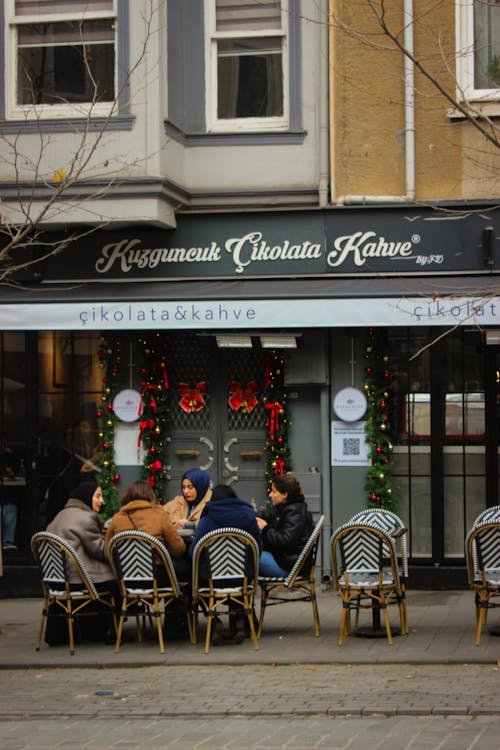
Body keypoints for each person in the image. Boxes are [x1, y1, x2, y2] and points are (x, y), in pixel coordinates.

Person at [189, 484, 262, 644]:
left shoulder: (207, 519)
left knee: (193, 580)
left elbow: (194, 552)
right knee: (239, 576)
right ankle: (239, 620)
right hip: (242, 578)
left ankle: (214, 620)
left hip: (211, 580)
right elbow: (258, 547)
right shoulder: (248, 516)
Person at [45, 480, 116, 645]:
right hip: (79, 579)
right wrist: (110, 540)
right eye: (98, 496)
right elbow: (100, 550)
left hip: (58, 581)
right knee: (116, 581)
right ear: (86, 497)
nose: (102, 501)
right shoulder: (86, 518)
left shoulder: (60, 515)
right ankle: (108, 631)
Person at [105, 480, 189, 582]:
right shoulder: (160, 515)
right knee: (185, 566)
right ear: (150, 496)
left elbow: (107, 552)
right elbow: (178, 549)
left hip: (127, 576)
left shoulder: (117, 519)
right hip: (156, 576)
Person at [256, 474, 314, 578]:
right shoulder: (285, 508)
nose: (270, 495)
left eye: (273, 491)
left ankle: (236, 592)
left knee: (247, 557)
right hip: (285, 562)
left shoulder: (295, 512)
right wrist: (246, 513)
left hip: (289, 567)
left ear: (285, 494)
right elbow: (266, 515)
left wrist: (265, 529)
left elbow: (286, 540)